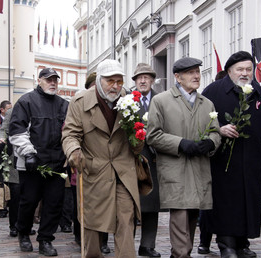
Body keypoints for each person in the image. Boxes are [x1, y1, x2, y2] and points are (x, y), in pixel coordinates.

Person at [202, 51, 261, 258]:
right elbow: (200, 120)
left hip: (252, 160)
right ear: (229, 71)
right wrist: (219, 128)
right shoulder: (214, 91)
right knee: (226, 202)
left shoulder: (259, 92)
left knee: (248, 201)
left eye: (249, 69)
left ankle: (242, 242)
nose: (245, 73)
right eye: (240, 69)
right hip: (223, 160)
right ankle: (226, 243)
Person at [62, 59, 142, 257]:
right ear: (99, 80)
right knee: (92, 223)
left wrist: (139, 136)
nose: (115, 86)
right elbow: (70, 133)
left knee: (126, 219)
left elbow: (135, 135)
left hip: (123, 171)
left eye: (119, 81)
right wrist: (73, 150)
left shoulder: (129, 100)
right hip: (93, 170)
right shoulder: (79, 102)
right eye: (110, 81)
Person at [147, 57, 221, 258]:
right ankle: (181, 254)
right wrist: (180, 143)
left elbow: (216, 132)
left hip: (199, 169)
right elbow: (153, 135)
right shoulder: (161, 101)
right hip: (175, 168)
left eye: (197, 71)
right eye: (190, 72)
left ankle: (180, 253)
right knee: (179, 215)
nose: (196, 76)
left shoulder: (207, 104)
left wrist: (211, 142)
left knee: (192, 216)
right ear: (177, 77)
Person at [9, 68, 68, 256]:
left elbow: (70, 131)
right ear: (39, 80)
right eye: (48, 79)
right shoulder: (26, 101)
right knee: (28, 202)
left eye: (55, 80)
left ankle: (45, 240)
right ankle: (24, 233)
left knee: (53, 203)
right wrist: (28, 153)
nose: (52, 83)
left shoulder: (63, 105)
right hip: (33, 164)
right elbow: (17, 130)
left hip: (57, 164)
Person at [132, 63, 162, 257]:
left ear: (152, 80)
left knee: (152, 204)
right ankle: (127, 244)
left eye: (146, 77)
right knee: (130, 204)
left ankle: (147, 245)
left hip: (154, 158)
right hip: (132, 158)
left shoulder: (161, 100)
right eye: (139, 78)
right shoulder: (126, 99)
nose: (143, 81)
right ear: (135, 81)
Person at [197, 69, 228, 255]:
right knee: (208, 202)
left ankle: (216, 241)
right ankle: (205, 240)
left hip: (228, 157)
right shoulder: (210, 96)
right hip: (211, 157)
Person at [0, 107, 20, 237]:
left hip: (31, 159)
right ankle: (14, 226)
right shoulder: (13, 112)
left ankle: (24, 225)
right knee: (16, 194)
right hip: (13, 159)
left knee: (28, 196)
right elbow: (3, 130)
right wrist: (1, 139)